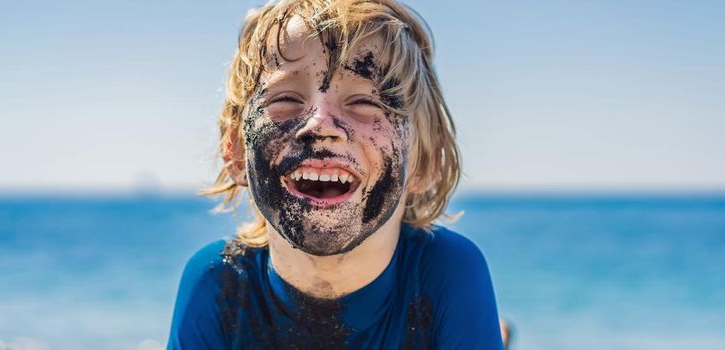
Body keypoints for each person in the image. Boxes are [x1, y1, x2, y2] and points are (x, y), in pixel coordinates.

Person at [168, 0, 504, 348]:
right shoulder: (221, 284)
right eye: (285, 98)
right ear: (236, 151)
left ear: (424, 161)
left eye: (365, 102)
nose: (320, 124)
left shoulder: (445, 274)